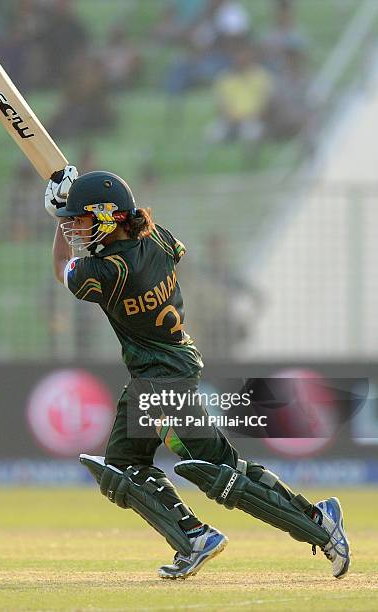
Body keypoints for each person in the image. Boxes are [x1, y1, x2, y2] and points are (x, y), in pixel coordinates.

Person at [44, 166, 351, 580]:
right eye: (73, 221)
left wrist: (58, 216)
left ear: (107, 216)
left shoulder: (109, 273)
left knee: (206, 472)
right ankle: (217, 533)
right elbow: (140, 237)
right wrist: (75, 208)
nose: (75, 228)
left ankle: (308, 526)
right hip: (168, 369)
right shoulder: (156, 237)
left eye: (81, 219)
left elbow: (63, 265)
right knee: (171, 466)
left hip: (159, 378)